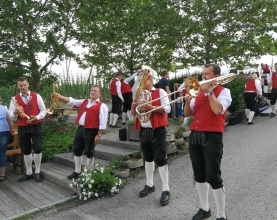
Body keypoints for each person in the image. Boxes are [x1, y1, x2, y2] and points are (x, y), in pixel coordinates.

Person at [184, 64, 231, 220]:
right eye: (203, 74)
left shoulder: (224, 92)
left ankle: (221, 215)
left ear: (216, 75)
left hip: (212, 137)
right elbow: (187, 114)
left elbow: (218, 110)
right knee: (199, 174)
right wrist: (187, 100)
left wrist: (209, 92)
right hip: (195, 136)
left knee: (213, 176)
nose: (203, 77)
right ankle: (205, 209)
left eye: (207, 74)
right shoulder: (197, 93)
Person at [131, 69, 171, 206]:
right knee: (147, 158)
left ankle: (166, 189)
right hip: (144, 129)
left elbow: (167, 109)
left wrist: (150, 107)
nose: (141, 82)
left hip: (157, 130)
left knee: (160, 158)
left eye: (144, 79)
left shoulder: (160, 92)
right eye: (140, 79)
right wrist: (133, 107)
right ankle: (149, 184)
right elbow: (134, 114)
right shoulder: (138, 94)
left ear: (151, 80)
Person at [57, 85, 108, 179]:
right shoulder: (85, 101)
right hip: (81, 129)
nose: (93, 92)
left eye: (95, 91)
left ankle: (89, 172)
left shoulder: (102, 106)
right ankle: (77, 171)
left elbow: (103, 122)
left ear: (99, 94)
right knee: (77, 149)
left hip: (92, 130)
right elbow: (72, 101)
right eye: (92, 90)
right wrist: (59, 96)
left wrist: (99, 134)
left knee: (89, 151)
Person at [9, 77, 46, 182]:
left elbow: (43, 111)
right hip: (22, 126)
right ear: (18, 86)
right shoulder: (14, 99)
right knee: (25, 149)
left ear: (28, 84)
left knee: (38, 148)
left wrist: (37, 118)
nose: (23, 87)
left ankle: (37, 171)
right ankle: (29, 172)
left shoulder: (36, 96)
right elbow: (11, 115)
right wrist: (15, 112)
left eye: (24, 85)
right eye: (20, 85)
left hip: (35, 125)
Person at [0, 105, 13, 182]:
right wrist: (10, 131)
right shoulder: (4, 108)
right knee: (2, 154)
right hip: (4, 131)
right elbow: (10, 120)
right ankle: (2, 176)